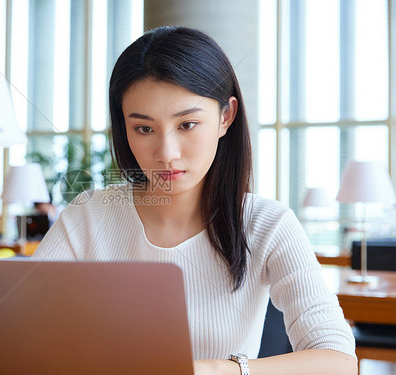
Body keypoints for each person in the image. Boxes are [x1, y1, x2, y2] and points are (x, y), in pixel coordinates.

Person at [33, 26, 357, 374]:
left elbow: (338, 362)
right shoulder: (88, 216)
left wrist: (216, 370)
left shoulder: (268, 224)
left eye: (187, 124)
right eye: (144, 129)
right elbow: (16, 326)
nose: (166, 154)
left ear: (225, 117)